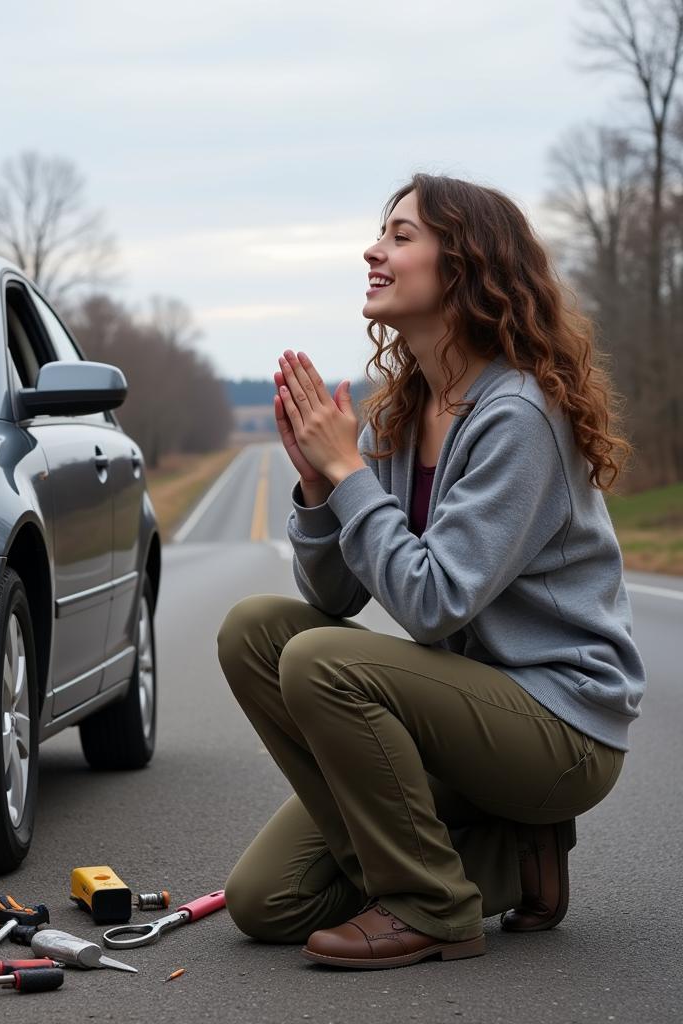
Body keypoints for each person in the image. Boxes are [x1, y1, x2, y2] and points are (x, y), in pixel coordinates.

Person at [215, 173, 646, 970]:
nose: (373, 250)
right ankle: (517, 860)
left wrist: (348, 475)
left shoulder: (518, 415)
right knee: (270, 896)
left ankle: (433, 907)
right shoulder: (403, 412)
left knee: (321, 660)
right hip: (464, 717)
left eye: (401, 235)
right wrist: (318, 488)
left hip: (560, 728)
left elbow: (432, 603)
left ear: (465, 266)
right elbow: (335, 593)